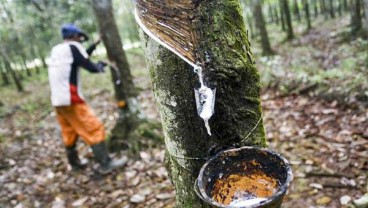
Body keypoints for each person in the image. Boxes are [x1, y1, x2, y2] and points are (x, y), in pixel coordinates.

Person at [47, 23, 126, 174]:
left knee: (69, 130)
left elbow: (80, 59)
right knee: (93, 127)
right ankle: (105, 163)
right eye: (79, 37)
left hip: (57, 100)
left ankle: (74, 162)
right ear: (73, 36)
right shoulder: (73, 47)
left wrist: (95, 44)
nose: (81, 40)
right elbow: (88, 66)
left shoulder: (58, 49)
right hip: (70, 98)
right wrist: (99, 67)